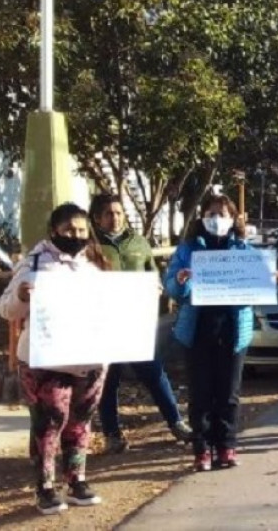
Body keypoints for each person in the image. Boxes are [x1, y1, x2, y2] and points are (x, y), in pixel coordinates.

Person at [0, 203, 111, 514]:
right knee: (49, 423)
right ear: (53, 231)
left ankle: (77, 480)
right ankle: (45, 486)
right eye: (68, 230)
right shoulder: (34, 264)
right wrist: (20, 296)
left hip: (89, 358)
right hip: (45, 359)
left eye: (81, 230)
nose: (75, 236)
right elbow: (5, 308)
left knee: (81, 421)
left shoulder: (94, 264)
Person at [164, 194, 278, 470]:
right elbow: (171, 286)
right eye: (211, 214)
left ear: (233, 219)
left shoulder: (245, 251)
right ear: (202, 217)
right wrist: (181, 281)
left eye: (222, 214)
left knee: (229, 392)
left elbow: (260, 288)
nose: (217, 219)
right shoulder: (187, 250)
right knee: (200, 392)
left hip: (233, 331)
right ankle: (202, 449)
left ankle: (226, 446)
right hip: (196, 330)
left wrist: (273, 281)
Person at [89, 194, 192, 453]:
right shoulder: (90, 247)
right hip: (103, 323)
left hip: (135, 322)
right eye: (109, 214)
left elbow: (152, 274)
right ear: (98, 218)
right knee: (108, 380)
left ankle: (176, 422)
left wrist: (156, 287)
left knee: (155, 373)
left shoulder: (139, 243)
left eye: (118, 213)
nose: (114, 218)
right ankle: (112, 434)